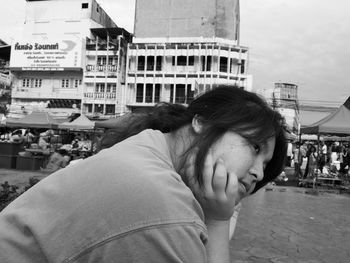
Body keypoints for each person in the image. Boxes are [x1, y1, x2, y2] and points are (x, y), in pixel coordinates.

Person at [0, 86, 287, 263]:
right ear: (200, 123)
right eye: (255, 146)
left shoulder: (148, 147)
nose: (257, 172)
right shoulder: (163, 210)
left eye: (266, 165)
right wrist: (217, 222)